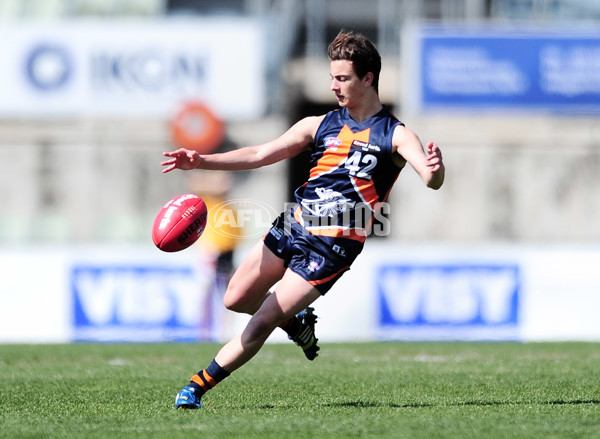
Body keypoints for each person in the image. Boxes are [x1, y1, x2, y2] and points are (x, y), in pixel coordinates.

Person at [161, 30, 445, 409]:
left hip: (332, 248)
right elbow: (262, 152)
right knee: (234, 298)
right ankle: (297, 324)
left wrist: (436, 169)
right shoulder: (320, 124)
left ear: (368, 78)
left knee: (261, 319)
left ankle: (196, 387)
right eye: (331, 77)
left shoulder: (394, 134)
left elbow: (430, 178)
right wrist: (202, 160)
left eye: (342, 78)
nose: (334, 86)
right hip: (293, 225)